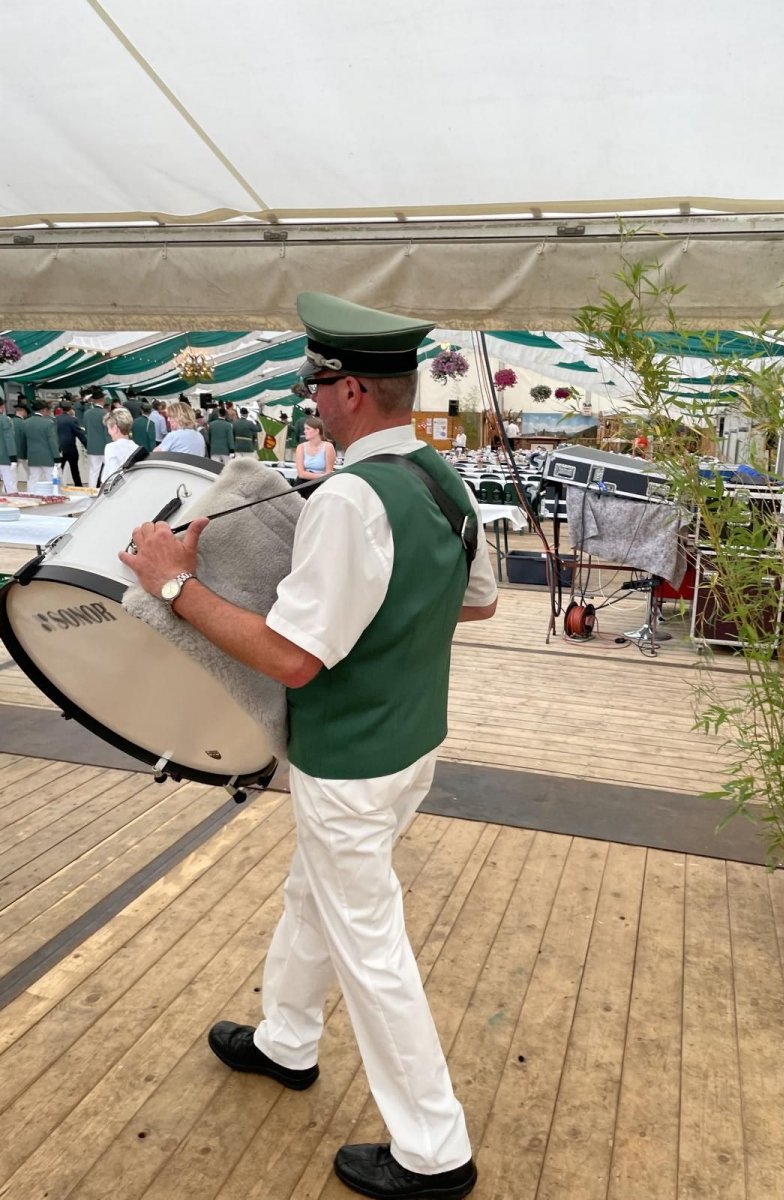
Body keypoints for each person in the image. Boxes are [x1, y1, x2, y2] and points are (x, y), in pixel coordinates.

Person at [120, 292, 496, 1200]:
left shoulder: (351, 499)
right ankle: (287, 1040)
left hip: (351, 760)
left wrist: (174, 586)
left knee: (371, 948)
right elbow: (479, 601)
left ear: (351, 391)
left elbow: (292, 659)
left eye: (314, 384)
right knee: (314, 894)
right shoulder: (441, 477)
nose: (309, 399)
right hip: (410, 742)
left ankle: (435, 1151)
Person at [22, 399, 61, 491]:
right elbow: (52, 441)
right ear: (44, 410)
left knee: (33, 479)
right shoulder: (48, 423)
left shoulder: (25, 422)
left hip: (32, 455)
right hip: (48, 456)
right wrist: (57, 457)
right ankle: (55, 495)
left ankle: (31, 495)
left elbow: (24, 441)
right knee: (52, 478)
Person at [83, 388, 111, 486]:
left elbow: (85, 430)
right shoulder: (105, 413)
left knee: (93, 470)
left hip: (91, 446)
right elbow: (108, 432)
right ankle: (104, 487)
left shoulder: (87, 413)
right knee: (108, 468)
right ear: (102, 399)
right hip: (104, 446)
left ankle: (92, 490)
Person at [293, 415, 336, 479]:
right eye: (305, 429)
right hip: (303, 482)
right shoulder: (301, 447)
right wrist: (321, 476)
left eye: (308, 429)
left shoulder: (328, 447)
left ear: (317, 431)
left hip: (321, 482)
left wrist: (317, 478)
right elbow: (301, 474)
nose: (304, 431)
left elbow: (329, 472)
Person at [56, 399, 87, 486]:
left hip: (59, 449)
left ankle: (57, 487)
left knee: (59, 470)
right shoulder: (72, 420)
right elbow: (79, 434)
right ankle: (78, 487)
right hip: (71, 448)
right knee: (74, 469)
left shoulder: (55, 419)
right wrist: (86, 445)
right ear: (70, 408)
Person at [102, 409, 137, 477]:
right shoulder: (136, 447)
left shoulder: (111, 447)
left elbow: (111, 476)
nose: (108, 432)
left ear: (115, 428)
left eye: (108, 428)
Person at [0, 406, 18, 494]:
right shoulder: (4, 419)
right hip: (4, 457)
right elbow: (9, 438)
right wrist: (13, 457)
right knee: (10, 484)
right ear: (2, 407)